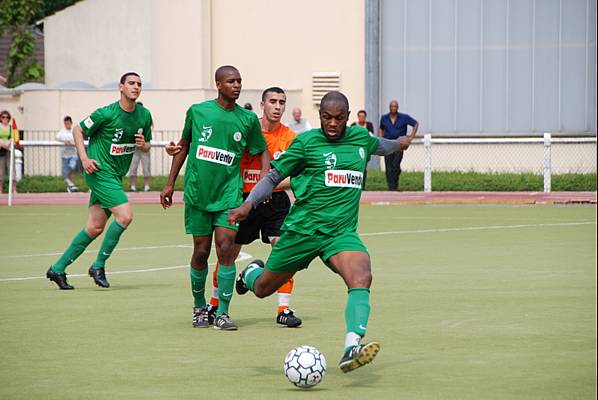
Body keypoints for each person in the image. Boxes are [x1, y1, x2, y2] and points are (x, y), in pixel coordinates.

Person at [228, 91, 412, 373]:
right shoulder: (306, 143)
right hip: (302, 231)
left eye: (339, 118)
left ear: (348, 118)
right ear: (321, 117)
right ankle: (251, 273)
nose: (333, 124)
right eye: (327, 118)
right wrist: (249, 204)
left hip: (340, 234)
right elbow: (275, 176)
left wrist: (400, 143)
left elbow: (382, 146)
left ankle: (352, 347)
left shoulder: (360, 138)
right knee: (264, 288)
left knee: (362, 275)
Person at [160, 65, 269, 331]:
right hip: (198, 194)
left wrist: (265, 183)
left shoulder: (247, 119)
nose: (237, 85)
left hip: (229, 196)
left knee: (226, 250)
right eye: (231, 81)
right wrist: (169, 184)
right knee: (200, 252)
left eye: (239, 81)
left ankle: (222, 312)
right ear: (218, 84)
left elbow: (261, 151)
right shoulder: (198, 112)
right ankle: (199, 307)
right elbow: (183, 147)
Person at [46, 72, 153, 290]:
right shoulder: (107, 113)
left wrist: (143, 145)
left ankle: (57, 269)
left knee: (94, 227)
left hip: (115, 176)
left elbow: (148, 145)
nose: (136, 87)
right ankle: (98, 265)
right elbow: (78, 129)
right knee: (125, 216)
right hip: (99, 172)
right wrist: (84, 158)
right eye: (131, 83)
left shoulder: (144, 115)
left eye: (139, 84)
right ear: (121, 87)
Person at [208, 87, 302, 328]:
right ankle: (214, 304)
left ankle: (283, 309)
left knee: (284, 252)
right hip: (244, 201)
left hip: (276, 202)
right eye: (272, 101)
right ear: (262, 105)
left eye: (282, 102)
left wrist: (270, 185)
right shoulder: (247, 130)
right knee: (226, 252)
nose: (277, 106)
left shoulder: (290, 138)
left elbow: (295, 176)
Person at [377, 100, 418, 191]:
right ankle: (391, 187)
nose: (393, 108)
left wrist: (411, 137)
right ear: (389, 107)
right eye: (392, 106)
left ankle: (395, 186)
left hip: (399, 145)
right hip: (387, 144)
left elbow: (415, 124)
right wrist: (380, 139)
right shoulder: (384, 118)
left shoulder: (404, 117)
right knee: (388, 167)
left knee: (396, 166)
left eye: (395, 106)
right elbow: (381, 129)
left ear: (397, 107)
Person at [351, 110, 375, 189]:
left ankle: (363, 186)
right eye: (360, 116)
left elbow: (372, 136)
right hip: (355, 149)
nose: (361, 118)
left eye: (363, 116)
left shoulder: (369, 125)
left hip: (365, 149)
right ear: (358, 117)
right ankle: (355, 185)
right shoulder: (353, 125)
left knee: (364, 167)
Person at [55, 116, 80, 192]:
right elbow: (56, 138)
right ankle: (70, 186)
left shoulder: (74, 130)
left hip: (73, 154)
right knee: (66, 174)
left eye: (68, 123)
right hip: (65, 155)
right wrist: (64, 141)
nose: (67, 125)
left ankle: (70, 184)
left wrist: (72, 141)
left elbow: (79, 137)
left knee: (71, 167)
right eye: (66, 124)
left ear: (71, 123)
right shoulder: (62, 131)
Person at [0, 110, 18, 193]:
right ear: (0, 118)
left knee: (12, 169)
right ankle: (1, 190)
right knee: (1, 170)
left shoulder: (11, 128)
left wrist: (8, 143)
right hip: (1, 150)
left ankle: (14, 189)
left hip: (9, 149)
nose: (5, 119)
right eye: (3, 117)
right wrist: (3, 144)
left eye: (7, 117)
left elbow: (13, 137)